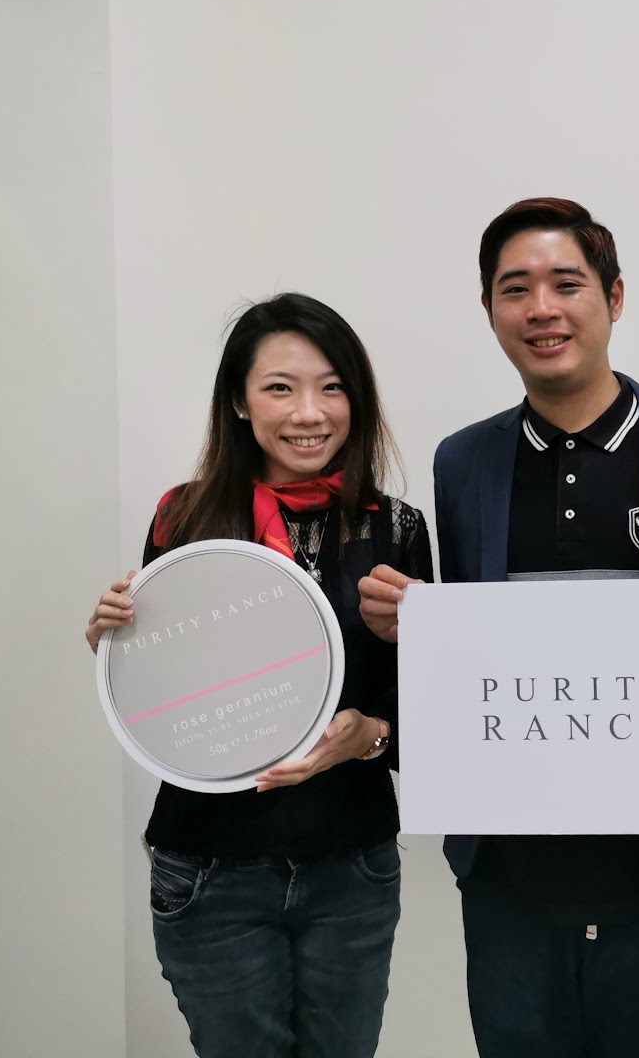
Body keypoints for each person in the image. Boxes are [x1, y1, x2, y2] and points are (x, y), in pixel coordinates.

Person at [358, 197, 639, 1058]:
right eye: (515, 289)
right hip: (510, 868)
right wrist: (416, 628)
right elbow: (477, 654)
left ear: (614, 297)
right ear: (488, 309)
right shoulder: (464, 460)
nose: (542, 309)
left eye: (566, 284)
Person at [85, 292, 432, 1058]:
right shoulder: (185, 519)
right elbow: (167, 689)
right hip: (211, 866)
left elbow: (431, 713)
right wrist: (115, 646)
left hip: (352, 865)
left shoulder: (396, 529)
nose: (309, 412)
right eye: (280, 387)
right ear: (240, 402)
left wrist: (371, 733)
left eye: (332, 387)